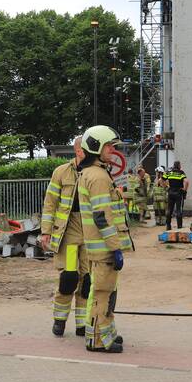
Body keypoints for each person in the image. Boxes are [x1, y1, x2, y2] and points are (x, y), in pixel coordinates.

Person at [77, 125, 133, 353]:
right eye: (109, 145)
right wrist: (115, 248)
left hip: (97, 247)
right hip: (104, 249)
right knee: (103, 294)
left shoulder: (91, 173)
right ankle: (99, 341)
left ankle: (103, 335)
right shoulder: (98, 177)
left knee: (104, 292)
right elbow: (102, 217)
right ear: (97, 147)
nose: (113, 150)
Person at [39, 137, 89, 337]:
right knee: (69, 278)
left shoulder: (97, 172)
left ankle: (82, 324)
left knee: (87, 280)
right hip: (68, 234)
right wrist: (46, 231)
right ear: (78, 151)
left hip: (90, 234)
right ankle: (59, 320)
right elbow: (50, 203)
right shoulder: (61, 172)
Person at [163, 161, 189, 230]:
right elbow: (186, 182)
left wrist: (166, 187)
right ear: (179, 166)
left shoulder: (169, 172)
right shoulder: (181, 173)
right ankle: (179, 226)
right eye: (180, 165)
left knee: (169, 210)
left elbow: (161, 180)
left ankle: (168, 226)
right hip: (178, 193)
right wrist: (184, 190)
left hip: (170, 193)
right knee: (178, 210)